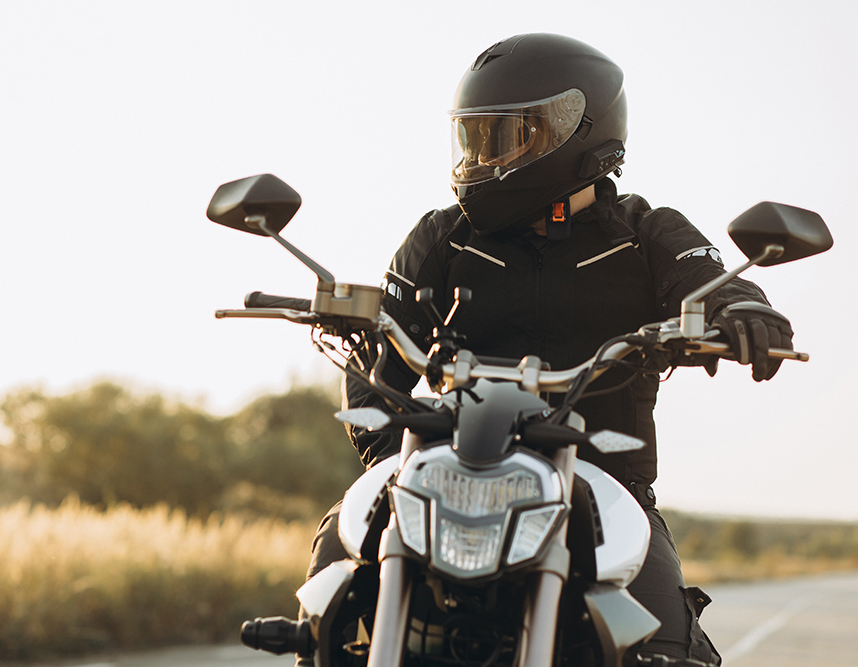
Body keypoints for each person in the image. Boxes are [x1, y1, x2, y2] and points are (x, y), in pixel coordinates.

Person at [305, 33, 793, 666]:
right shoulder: (441, 238)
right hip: (452, 471)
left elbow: (714, 283)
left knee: (671, 645)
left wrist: (744, 312)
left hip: (601, 486)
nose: (483, 157)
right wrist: (386, 456)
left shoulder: (647, 236)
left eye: (506, 137)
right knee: (331, 588)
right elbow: (383, 356)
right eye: (474, 138)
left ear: (576, 134)